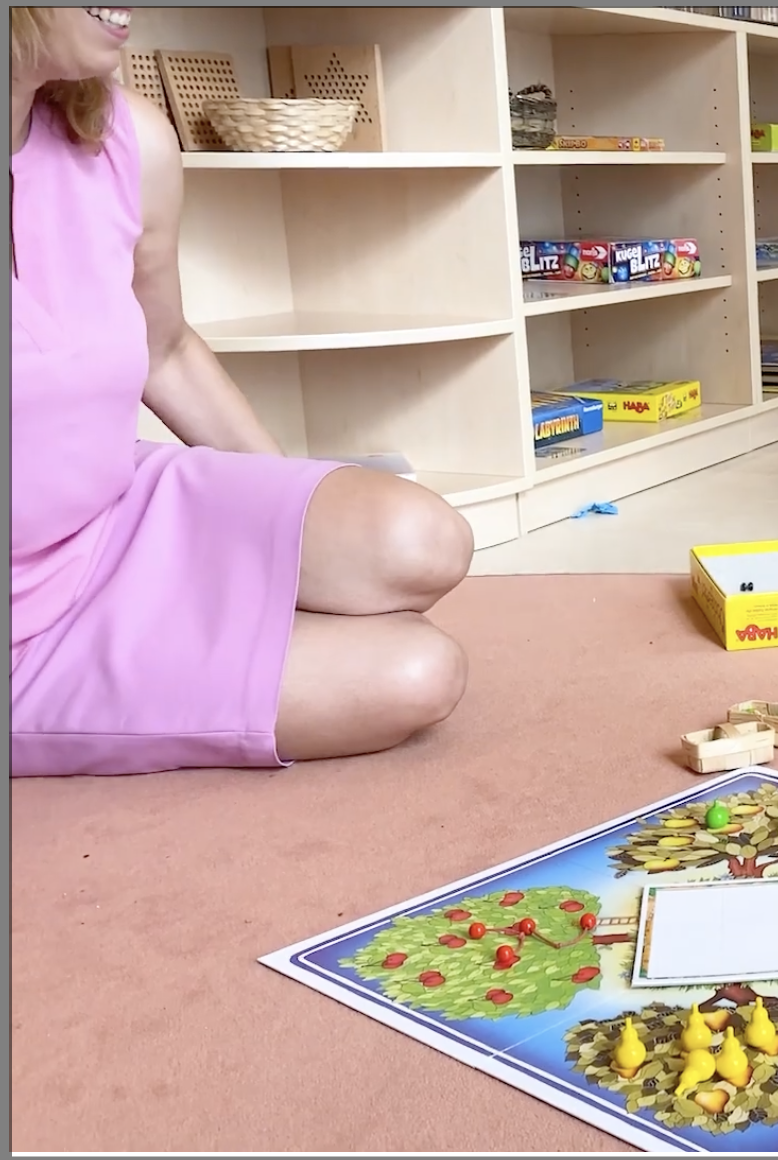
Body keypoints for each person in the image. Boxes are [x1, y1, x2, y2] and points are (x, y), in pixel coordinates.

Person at [11, 7, 473, 777]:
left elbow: (166, 348)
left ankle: (201, 630)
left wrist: (276, 516)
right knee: (415, 674)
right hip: (22, 628)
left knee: (421, 540)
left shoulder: (130, 140)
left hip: (118, 512)